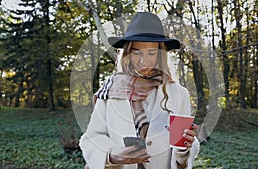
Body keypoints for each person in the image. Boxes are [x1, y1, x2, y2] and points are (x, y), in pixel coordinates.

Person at [79, 12, 200, 169]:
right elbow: (92, 138)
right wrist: (111, 156)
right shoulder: (110, 90)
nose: (144, 61)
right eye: (137, 52)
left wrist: (185, 146)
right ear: (128, 53)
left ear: (160, 54)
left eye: (151, 53)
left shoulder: (178, 94)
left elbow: (181, 157)